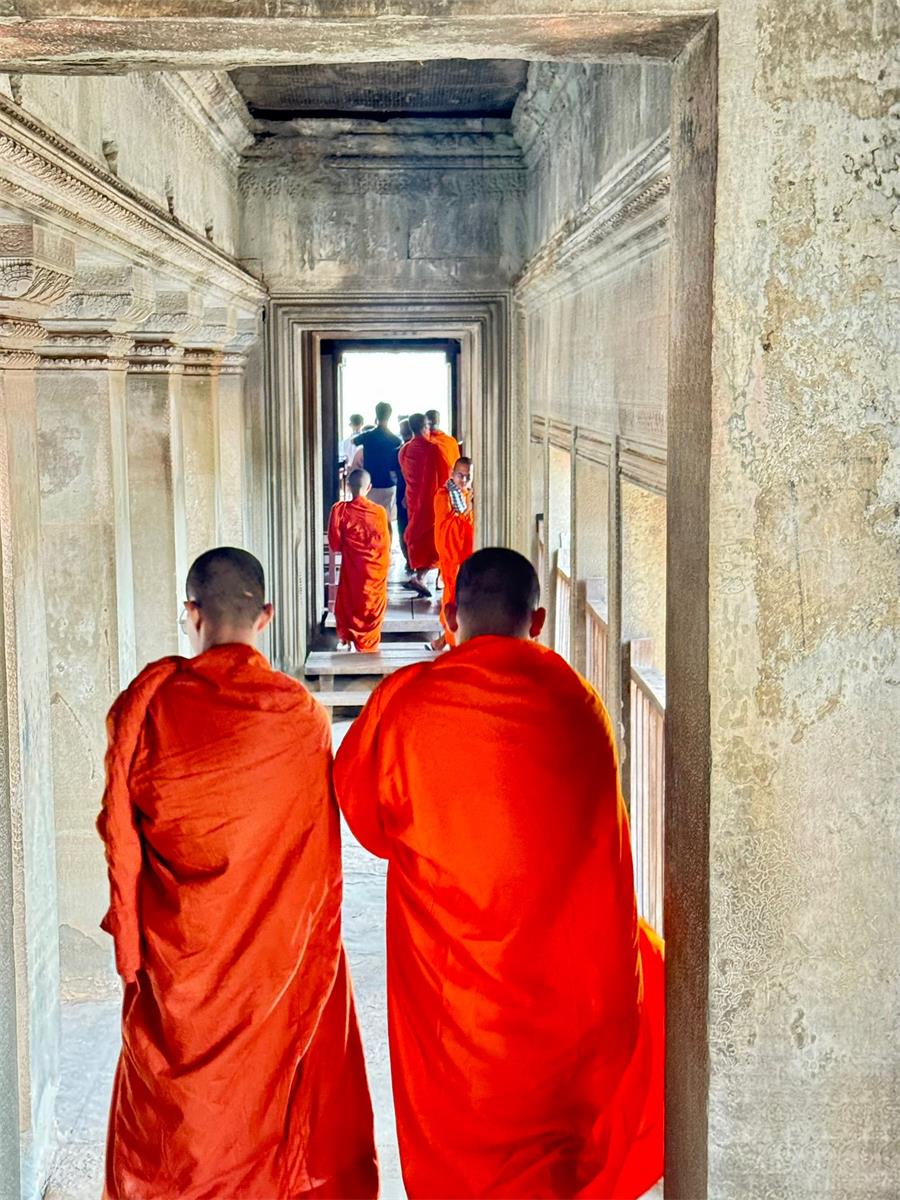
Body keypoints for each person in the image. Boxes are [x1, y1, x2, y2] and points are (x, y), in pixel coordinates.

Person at [334, 547, 664, 1200]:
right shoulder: (579, 705)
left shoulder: (407, 704)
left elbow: (365, 819)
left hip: (455, 1007)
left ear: (450, 615)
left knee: (460, 1156)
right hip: (558, 1015)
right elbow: (599, 853)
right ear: (536, 621)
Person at [97, 548, 379, 1200]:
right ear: (268, 617)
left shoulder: (147, 710)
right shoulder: (300, 719)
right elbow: (313, 861)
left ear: (189, 613)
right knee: (264, 1108)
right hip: (268, 974)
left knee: (177, 1135)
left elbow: (122, 840)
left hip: (178, 973)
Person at [328, 468, 391, 652]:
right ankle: (368, 646)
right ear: (369, 487)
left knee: (348, 602)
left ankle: (348, 640)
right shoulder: (379, 512)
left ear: (348, 486)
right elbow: (385, 545)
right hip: (374, 573)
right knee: (371, 606)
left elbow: (335, 544)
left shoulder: (339, 510)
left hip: (353, 571)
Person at [429, 456, 475, 651]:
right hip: (452, 557)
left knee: (463, 598)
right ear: (452, 474)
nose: (463, 480)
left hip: (466, 555)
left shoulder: (467, 495)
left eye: (467, 477)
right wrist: (468, 515)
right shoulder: (443, 495)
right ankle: (450, 640)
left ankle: (448, 638)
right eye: (460, 475)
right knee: (452, 597)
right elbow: (446, 527)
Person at [397, 412, 442, 598]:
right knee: (433, 541)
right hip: (431, 503)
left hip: (414, 501)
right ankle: (422, 577)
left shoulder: (404, 450)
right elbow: (445, 475)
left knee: (418, 539)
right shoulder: (434, 449)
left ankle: (420, 576)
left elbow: (407, 478)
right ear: (425, 427)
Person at [352, 401, 402, 525]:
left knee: (370, 518)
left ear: (376, 415)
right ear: (389, 416)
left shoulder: (367, 436)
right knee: (387, 519)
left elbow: (354, 441)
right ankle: (386, 543)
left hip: (371, 484)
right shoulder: (395, 440)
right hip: (389, 483)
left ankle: (372, 543)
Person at [396, 417, 413, 572]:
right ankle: (413, 559)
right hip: (415, 493)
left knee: (403, 526)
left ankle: (409, 559)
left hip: (403, 491)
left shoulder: (400, 451)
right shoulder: (425, 448)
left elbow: (395, 474)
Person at [425, 408, 461, 480]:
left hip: (444, 482)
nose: (432, 422)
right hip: (448, 481)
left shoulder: (450, 441)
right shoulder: (451, 441)